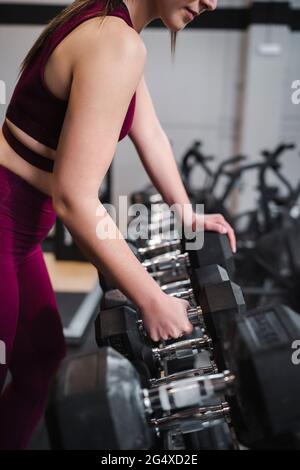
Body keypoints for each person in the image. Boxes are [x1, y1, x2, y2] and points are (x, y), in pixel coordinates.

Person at [0, 0, 235, 449]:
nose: (212, 3)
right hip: (5, 229)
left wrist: (185, 211)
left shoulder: (112, 24)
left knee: (39, 368)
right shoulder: (114, 41)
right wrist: (150, 298)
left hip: (22, 238)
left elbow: (150, 131)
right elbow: (74, 200)